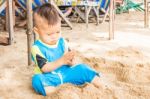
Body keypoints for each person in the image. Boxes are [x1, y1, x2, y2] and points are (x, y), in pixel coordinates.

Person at [31, 3, 104, 96]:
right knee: (37, 80)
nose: (54, 36)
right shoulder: (36, 48)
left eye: (57, 32)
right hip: (50, 77)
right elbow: (45, 68)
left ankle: (101, 86)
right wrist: (62, 60)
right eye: (49, 34)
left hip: (66, 74)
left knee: (83, 68)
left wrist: (71, 61)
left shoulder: (62, 42)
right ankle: (57, 93)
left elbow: (71, 62)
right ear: (37, 31)